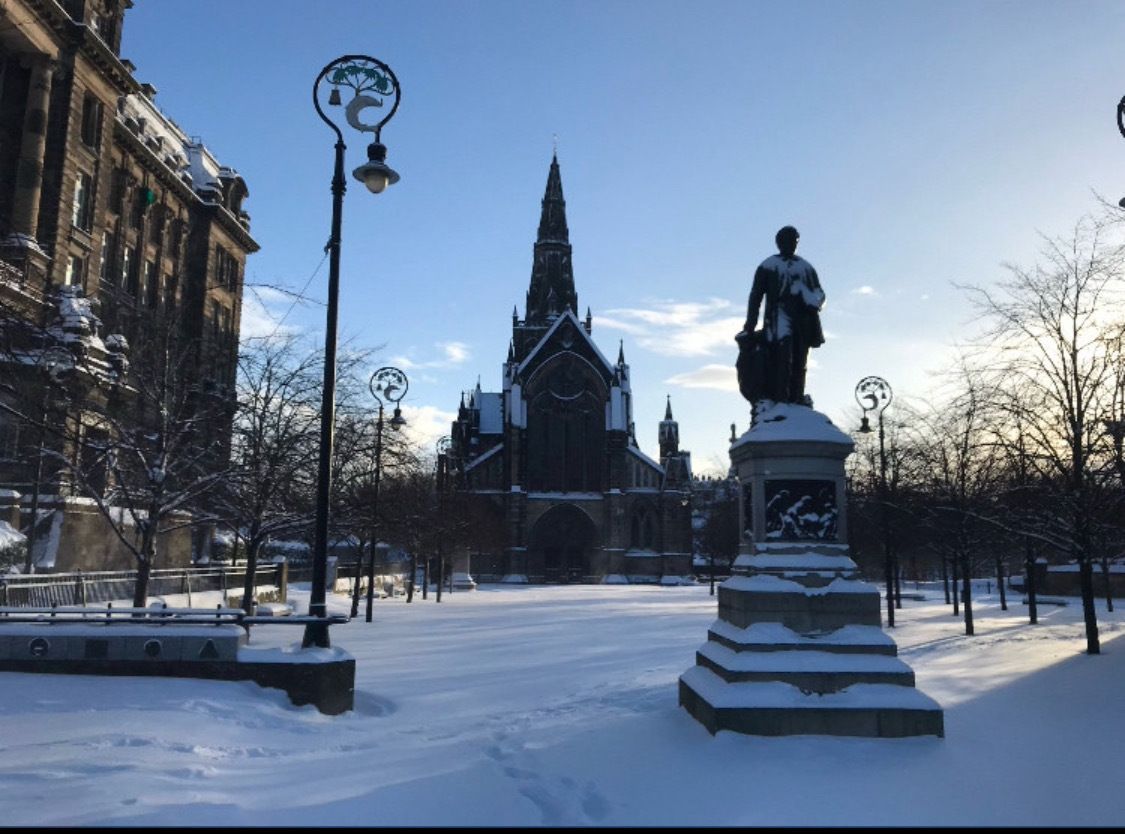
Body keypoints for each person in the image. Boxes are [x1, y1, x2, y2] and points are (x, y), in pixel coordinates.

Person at [736, 226, 825, 406]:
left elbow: (819, 293)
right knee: (781, 356)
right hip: (778, 317)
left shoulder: (805, 267)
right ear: (779, 243)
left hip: (802, 320)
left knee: (800, 358)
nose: (791, 244)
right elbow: (756, 296)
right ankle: (781, 399)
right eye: (786, 241)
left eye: (794, 241)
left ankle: (796, 397)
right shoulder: (768, 265)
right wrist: (750, 324)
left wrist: (807, 296)